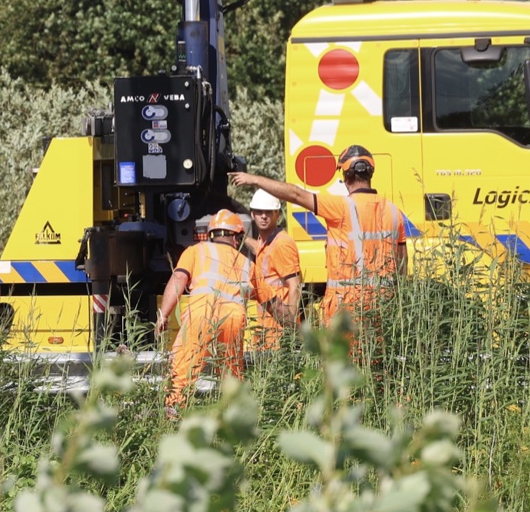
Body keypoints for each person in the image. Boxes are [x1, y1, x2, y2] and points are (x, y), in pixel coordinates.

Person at [232, 146, 405, 347]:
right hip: (382, 309)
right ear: (371, 173)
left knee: (342, 371)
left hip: (345, 312)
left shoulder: (340, 207)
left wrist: (254, 179)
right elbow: (402, 268)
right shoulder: (394, 212)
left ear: (346, 176)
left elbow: (296, 194)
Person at [154, 209, 252, 412]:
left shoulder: (196, 250)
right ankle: (235, 426)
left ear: (211, 234)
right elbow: (271, 301)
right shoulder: (247, 264)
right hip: (234, 318)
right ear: (237, 237)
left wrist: (163, 314)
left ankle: (174, 416)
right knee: (231, 377)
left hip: (202, 313)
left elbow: (179, 279)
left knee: (183, 372)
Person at [244, 193, 303, 349]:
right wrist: (240, 237)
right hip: (267, 328)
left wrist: (290, 327)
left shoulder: (282, 243)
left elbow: (294, 286)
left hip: (280, 330)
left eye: (269, 212)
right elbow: (259, 249)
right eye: (259, 212)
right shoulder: (264, 242)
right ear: (252, 214)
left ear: (277, 214)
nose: (264, 216)